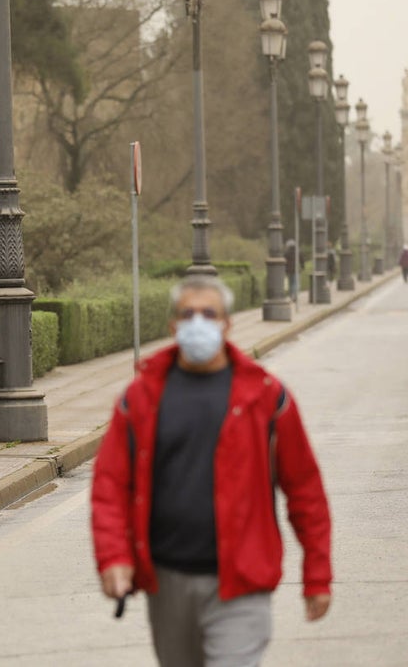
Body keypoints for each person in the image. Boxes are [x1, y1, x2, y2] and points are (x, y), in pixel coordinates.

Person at [91, 275, 333, 666]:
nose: (198, 322)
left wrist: (317, 573)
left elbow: (305, 489)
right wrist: (113, 557)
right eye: (188, 314)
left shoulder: (266, 396)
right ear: (173, 325)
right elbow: (110, 484)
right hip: (167, 583)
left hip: (242, 584)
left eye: (209, 313)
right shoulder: (141, 397)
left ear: (227, 323)